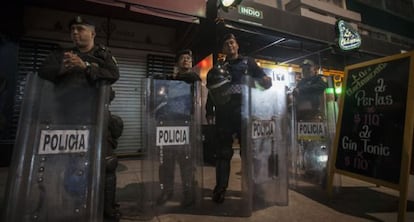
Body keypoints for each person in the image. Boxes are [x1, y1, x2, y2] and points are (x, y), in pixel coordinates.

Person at [38, 16, 121, 221]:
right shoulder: (62, 54)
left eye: (80, 29)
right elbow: (43, 71)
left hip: (97, 119)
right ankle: (78, 205)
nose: (75, 32)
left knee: (107, 164)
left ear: (92, 33)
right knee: (72, 166)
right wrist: (63, 69)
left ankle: (108, 210)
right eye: (73, 29)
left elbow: (113, 74)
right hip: (68, 121)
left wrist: (85, 67)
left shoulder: (103, 55)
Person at [205, 33, 272, 203]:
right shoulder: (219, 66)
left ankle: (255, 188)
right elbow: (212, 90)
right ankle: (220, 189)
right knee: (223, 153)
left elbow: (262, 78)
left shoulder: (248, 62)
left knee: (249, 153)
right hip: (224, 113)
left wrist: (266, 80)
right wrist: (209, 110)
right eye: (226, 44)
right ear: (222, 49)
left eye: (232, 42)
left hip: (245, 112)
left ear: (237, 45)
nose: (230, 46)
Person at [154, 49, 200, 207]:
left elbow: (193, 78)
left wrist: (175, 77)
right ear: (177, 63)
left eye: (189, 58)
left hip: (186, 123)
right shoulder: (168, 82)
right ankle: (167, 190)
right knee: (166, 161)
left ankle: (188, 191)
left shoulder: (193, 79)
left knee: (186, 160)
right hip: (168, 124)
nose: (186, 60)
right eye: (183, 58)